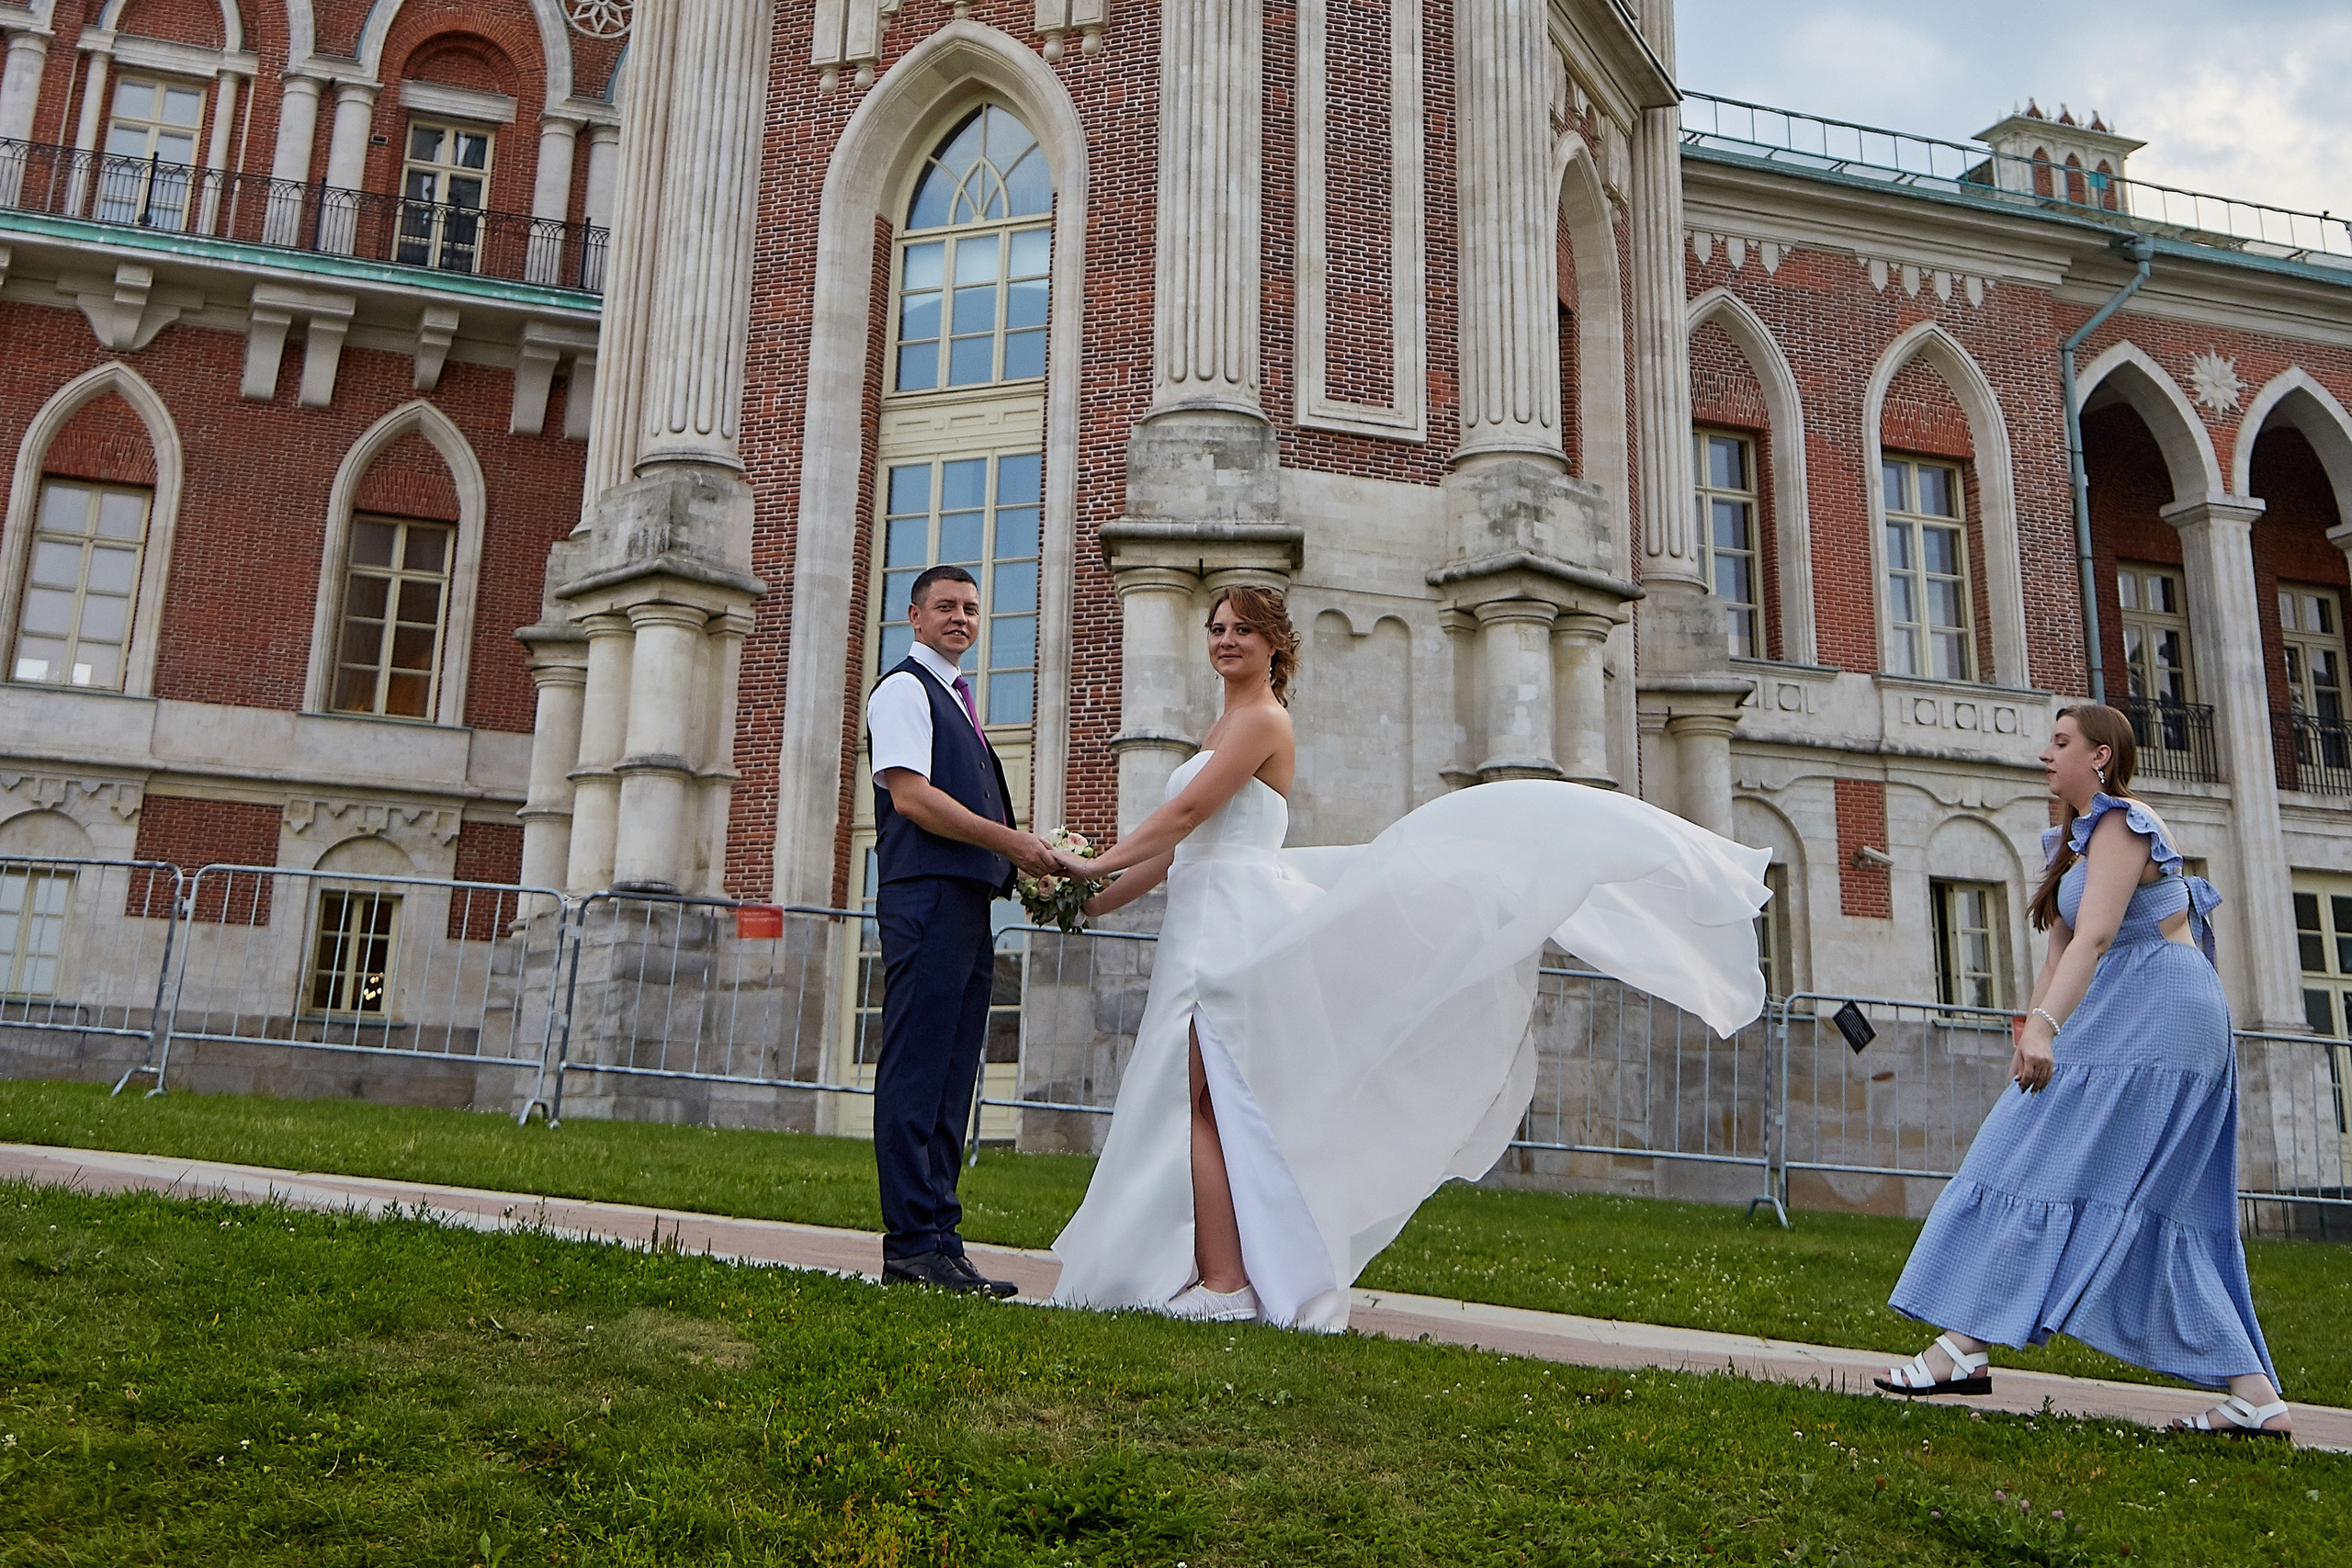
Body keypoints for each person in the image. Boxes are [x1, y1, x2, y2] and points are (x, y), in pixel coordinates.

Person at [1049, 583, 1774, 1329]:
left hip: (1227, 930)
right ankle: (1220, 1272)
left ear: (1275, 646)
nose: (1225, 639)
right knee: (1201, 1101)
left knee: (1192, 1097)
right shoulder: (1218, 725)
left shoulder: (1263, 721)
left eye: (1242, 629)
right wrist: (1091, 901)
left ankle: (1228, 1280)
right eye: (1217, 628)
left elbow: (1186, 813)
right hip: (1196, 922)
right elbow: (1177, 849)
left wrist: (1089, 862)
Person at [1877, 699, 2289, 1434]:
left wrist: (2047, 1029)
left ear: (2100, 756)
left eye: (2062, 741)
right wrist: (2030, 1032)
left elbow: (2097, 938)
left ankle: (1964, 1346)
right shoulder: (2073, 838)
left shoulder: (2125, 822)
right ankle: (2254, 1395)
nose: (2047, 752)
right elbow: (2061, 950)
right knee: (2058, 1166)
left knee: (2060, 1169)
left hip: (2160, 1019)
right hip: (2115, 1020)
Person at [865, 560, 1064, 1296]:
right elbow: (913, 799)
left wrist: (1023, 862)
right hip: (925, 903)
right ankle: (910, 1248)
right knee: (918, 1073)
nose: (960, 618)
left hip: (967, 906)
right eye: (945, 606)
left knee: (953, 1078)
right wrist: (1010, 842)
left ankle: (942, 1242)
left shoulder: (958, 700)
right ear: (913, 617)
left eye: (972, 609)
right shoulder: (903, 692)